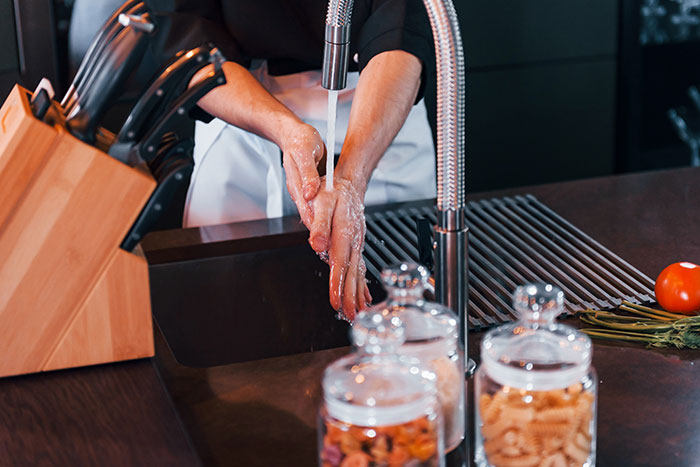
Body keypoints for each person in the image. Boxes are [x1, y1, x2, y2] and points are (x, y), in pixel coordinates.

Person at [157, 0, 436, 319]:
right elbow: (187, 40)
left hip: (378, 107)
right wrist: (286, 131)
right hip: (243, 110)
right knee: (228, 311)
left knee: (401, 314)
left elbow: (402, 31)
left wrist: (351, 177)